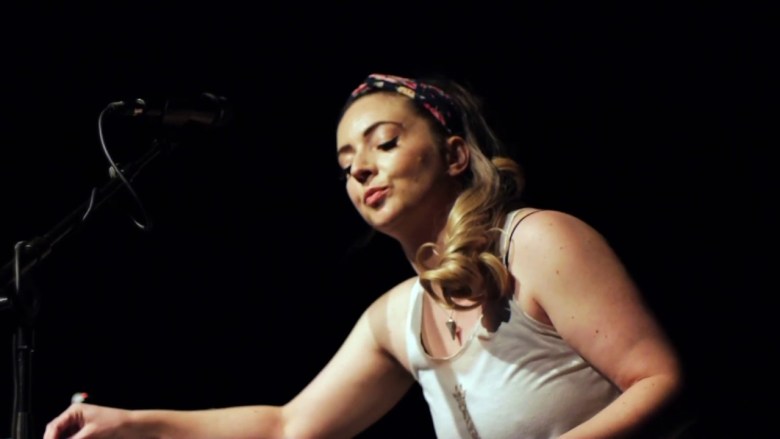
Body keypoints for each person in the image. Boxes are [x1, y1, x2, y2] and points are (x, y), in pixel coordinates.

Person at [44, 73, 686, 439]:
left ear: (455, 155)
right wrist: (130, 424)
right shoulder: (395, 317)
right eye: (347, 163)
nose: (360, 170)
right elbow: (288, 426)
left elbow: (659, 380)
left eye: (384, 143)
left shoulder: (538, 242)